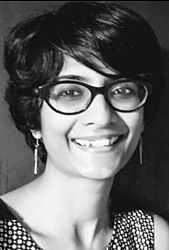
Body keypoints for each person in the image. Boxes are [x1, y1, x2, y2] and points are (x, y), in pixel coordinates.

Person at [0, 1, 169, 249]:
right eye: (70, 92)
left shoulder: (154, 238)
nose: (102, 116)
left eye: (122, 90)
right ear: (33, 119)